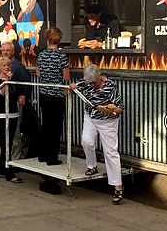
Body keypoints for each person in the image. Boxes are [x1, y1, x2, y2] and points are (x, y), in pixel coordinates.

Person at [69, 64, 125, 204]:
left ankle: (117, 186)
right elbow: (74, 85)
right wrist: (73, 87)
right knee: (86, 141)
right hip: (91, 117)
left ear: (100, 77)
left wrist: (112, 109)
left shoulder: (110, 86)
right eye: (90, 83)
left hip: (108, 122)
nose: (92, 85)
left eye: (94, 83)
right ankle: (91, 166)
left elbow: (120, 108)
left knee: (110, 152)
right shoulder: (86, 82)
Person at [35, 27, 70, 166]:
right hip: (57, 94)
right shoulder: (61, 57)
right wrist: (64, 86)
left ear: (47, 39)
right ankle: (52, 157)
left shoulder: (42, 55)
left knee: (46, 124)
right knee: (55, 127)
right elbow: (66, 76)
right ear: (59, 40)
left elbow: (38, 73)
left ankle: (42, 154)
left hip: (44, 93)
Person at [0, 57, 23, 183]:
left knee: (10, 142)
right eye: (4, 66)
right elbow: (2, 93)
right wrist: (7, 79)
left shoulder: (12, 81)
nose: (7, 68)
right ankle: (9, 172)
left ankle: (1, 168)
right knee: (4, 142)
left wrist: (20, 97)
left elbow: (16, 94)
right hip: (1, 115)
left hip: (12, 114)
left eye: (8, 66)